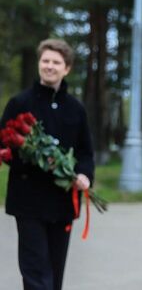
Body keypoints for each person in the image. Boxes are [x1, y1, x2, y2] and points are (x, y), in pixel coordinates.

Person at [1, 39, 95, 290]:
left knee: (54, 272)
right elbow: (5, 149)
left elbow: (86, 151)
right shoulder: (19, 103)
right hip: (28, 201)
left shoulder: (76, 108)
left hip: (62, 203)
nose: (50, 66)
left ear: (67, 69)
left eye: (56, 62)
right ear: (39, 64)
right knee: (35, 272)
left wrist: (84, 175)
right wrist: (35, 159)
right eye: (46, 61)